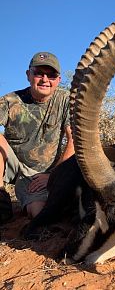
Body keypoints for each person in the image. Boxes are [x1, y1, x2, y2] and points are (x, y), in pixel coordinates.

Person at [0, 52, 74, 222]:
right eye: (38, 73)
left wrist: (54, 175)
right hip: (13, 166)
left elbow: (74, 139)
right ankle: (1, 198)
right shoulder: (11, 100)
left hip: (45, 173)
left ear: (59, 79)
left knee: (41, 214)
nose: (45, 79)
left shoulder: (66, 100)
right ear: (28, 75)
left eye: (51, 75)